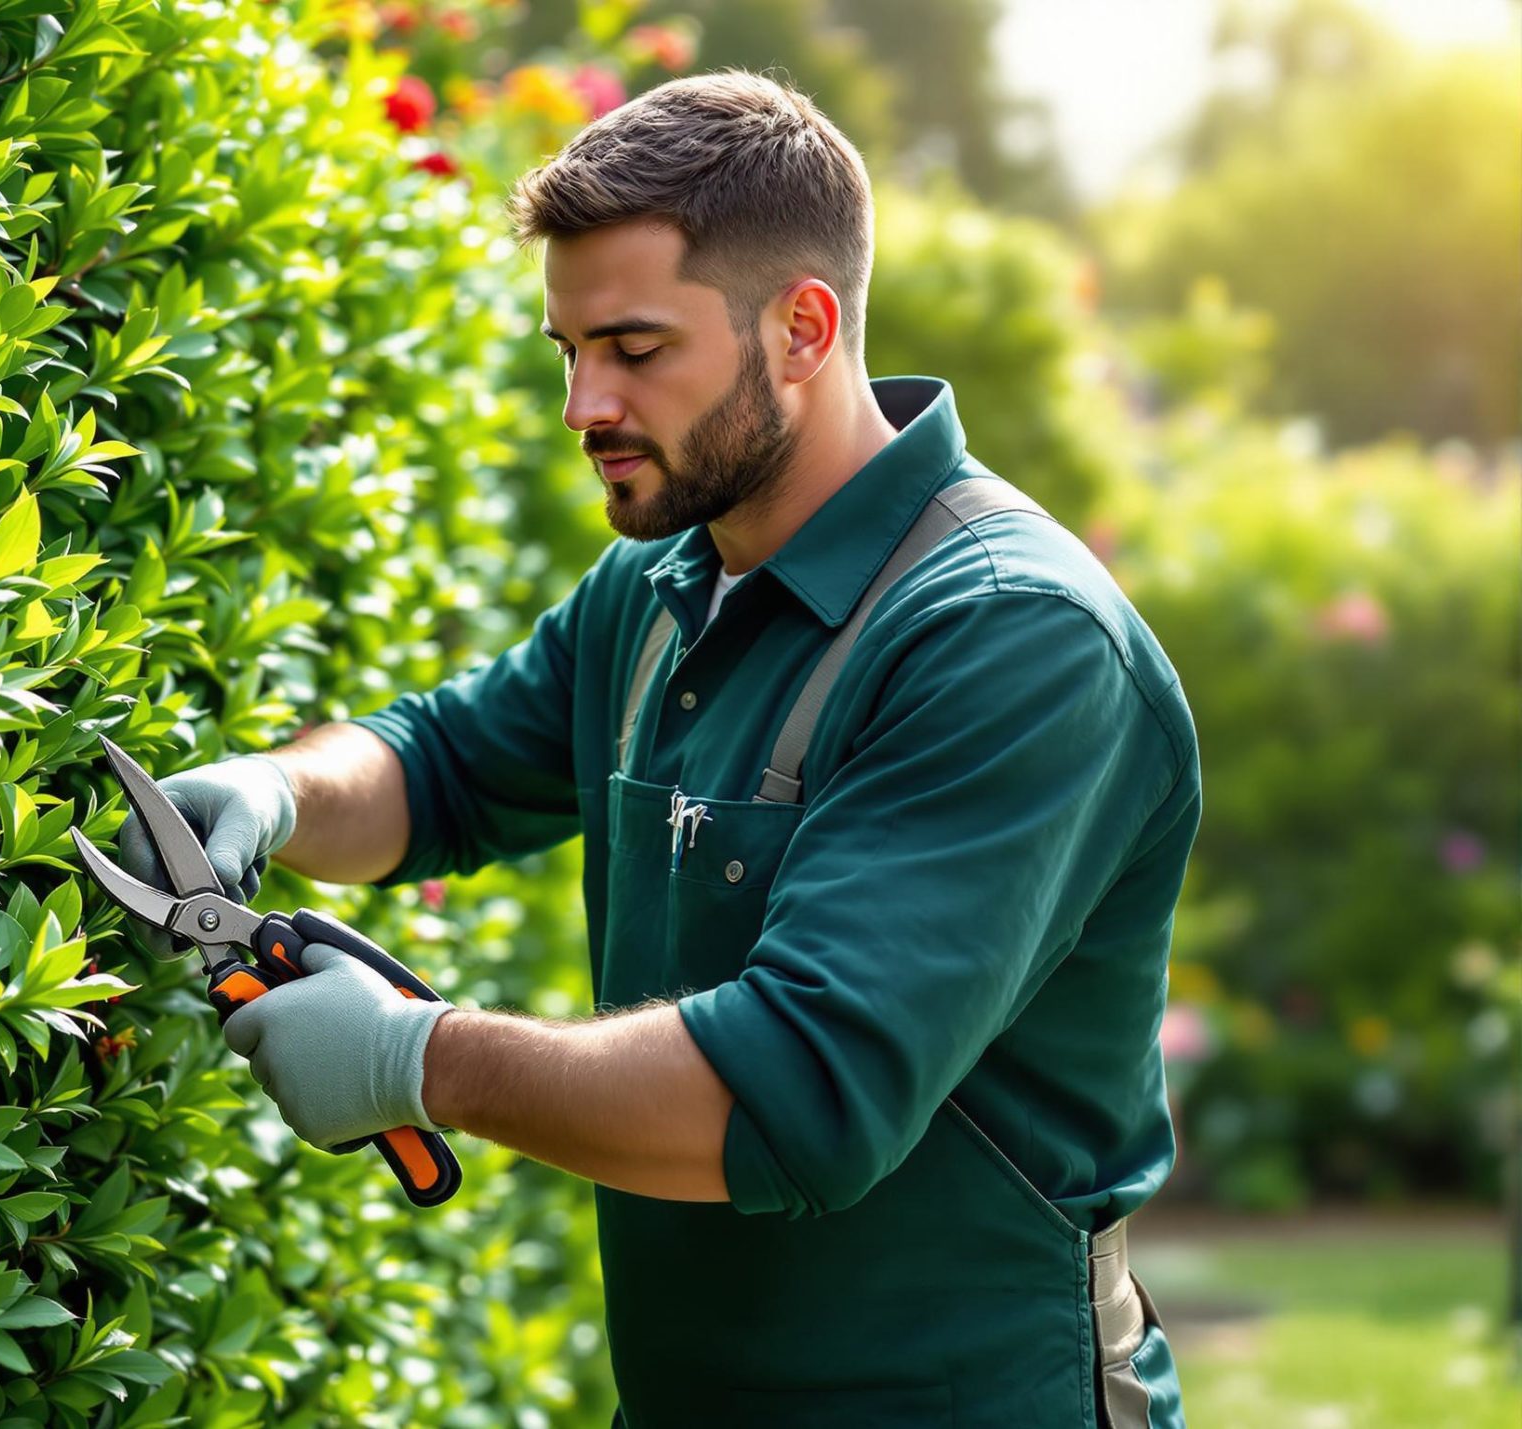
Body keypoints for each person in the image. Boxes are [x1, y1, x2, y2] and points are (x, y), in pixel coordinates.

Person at [115, 70, 1201, 1428]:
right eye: (568, 351)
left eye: (634, 348)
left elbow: (797, 1088)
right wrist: (275, 790)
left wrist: (419, 1060)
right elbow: (443, 765)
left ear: (803, 326)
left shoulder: (1008, 638)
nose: (584, 405)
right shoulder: (662, 588)